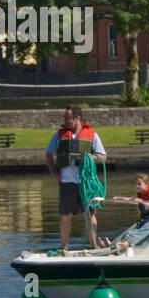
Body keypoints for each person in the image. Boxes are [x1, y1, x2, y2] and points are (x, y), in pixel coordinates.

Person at [45, 105, 106, 251]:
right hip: (67, 181)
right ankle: (63, 247)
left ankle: (93, 246)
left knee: (90, 213)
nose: (65, 121)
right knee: (65, 215)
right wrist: (53, 171)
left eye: (68, 118)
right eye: (65, 118)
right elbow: (48, 153)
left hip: (86, 182)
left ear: (77, 119)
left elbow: (103, 156)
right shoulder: (59, 135)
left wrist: (88, 157)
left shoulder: (92, 135)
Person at [111, 174, 149, 251]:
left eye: (139, 184)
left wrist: (141, 201)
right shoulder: (140, 195)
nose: (137, 186)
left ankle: (128, 243)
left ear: (147, 185)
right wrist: (117, 198)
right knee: (131, 231)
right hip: (144, 220)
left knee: (141, 231)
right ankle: (121, 242)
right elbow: (129, 200)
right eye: (136, 184)